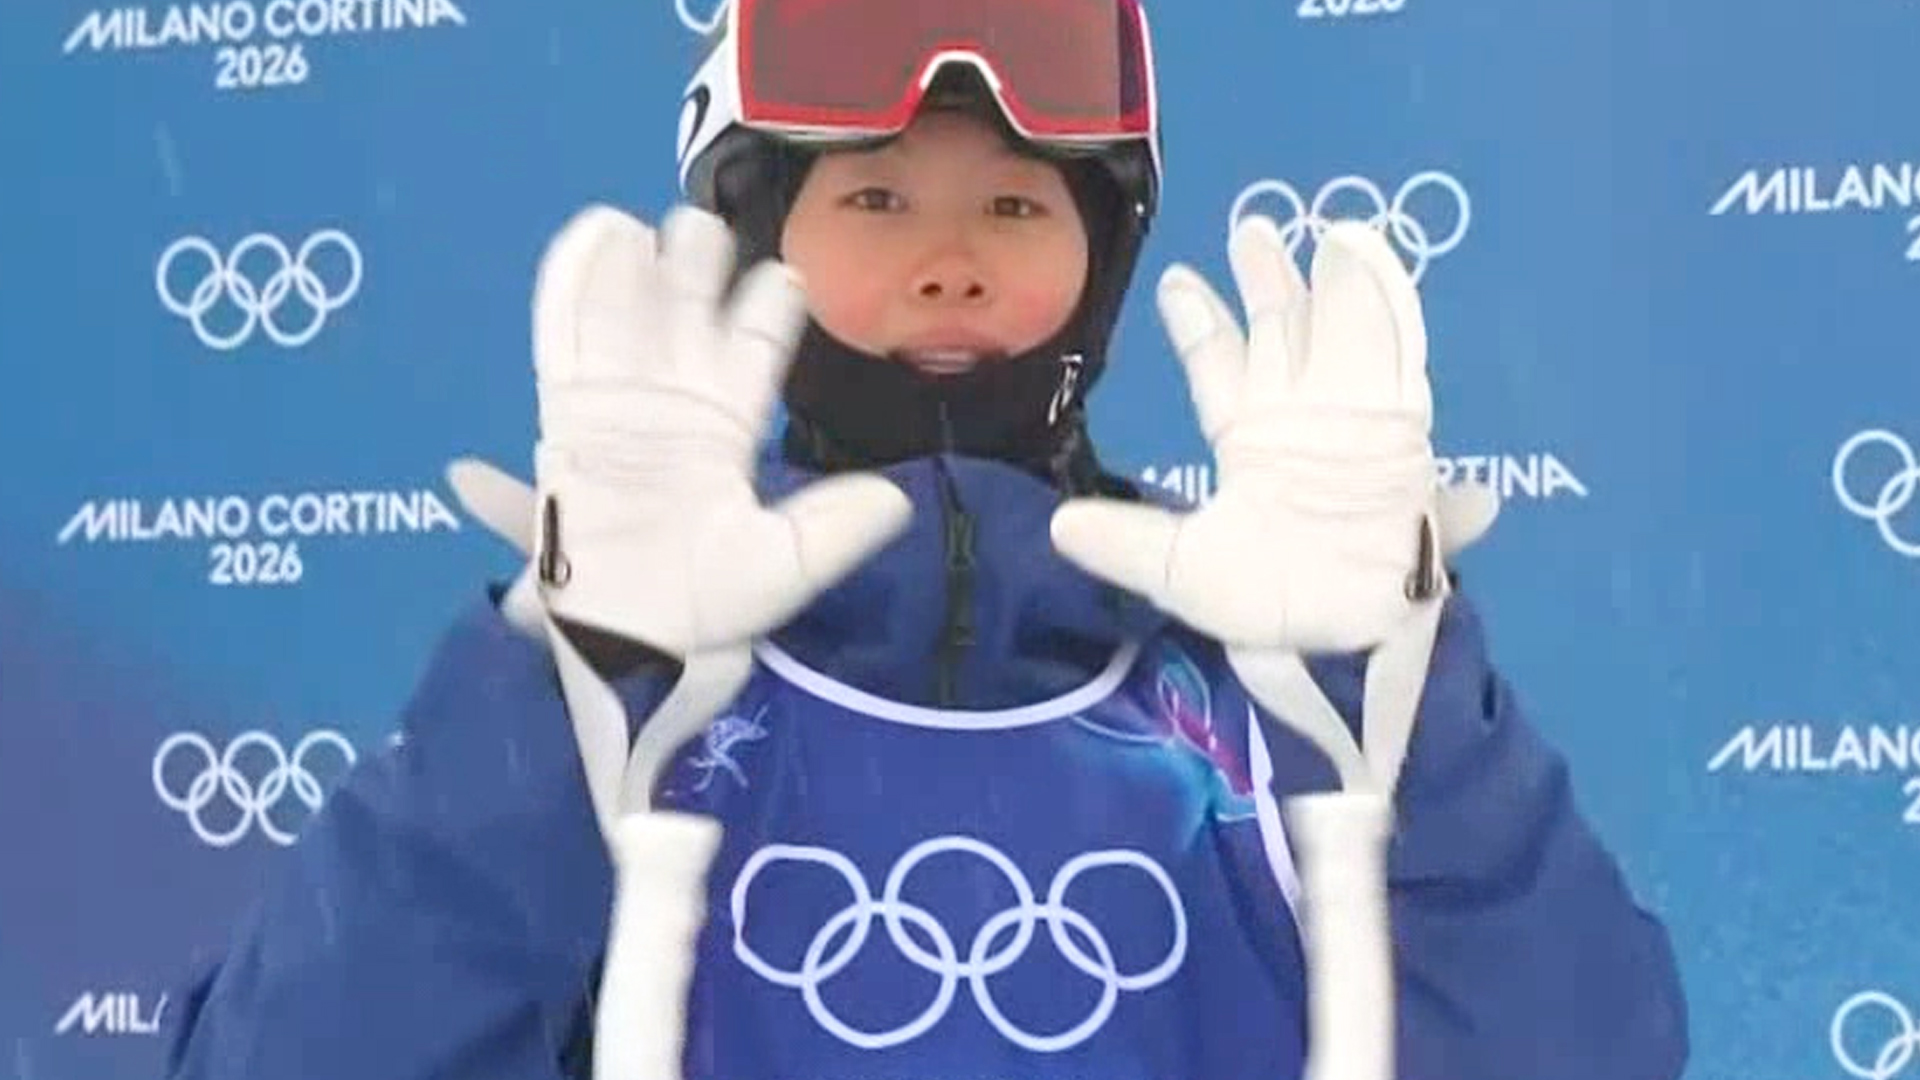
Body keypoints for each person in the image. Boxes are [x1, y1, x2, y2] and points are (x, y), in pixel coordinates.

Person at [160, 1, 1690, 1078]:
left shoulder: (1261, 667)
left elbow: (1579, 1053)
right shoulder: (631, 673)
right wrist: (575, 664)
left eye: (1017, 208)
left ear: (1100, 261)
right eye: (878, 197)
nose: (949, 264)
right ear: (761, 238)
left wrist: (1393, 676)